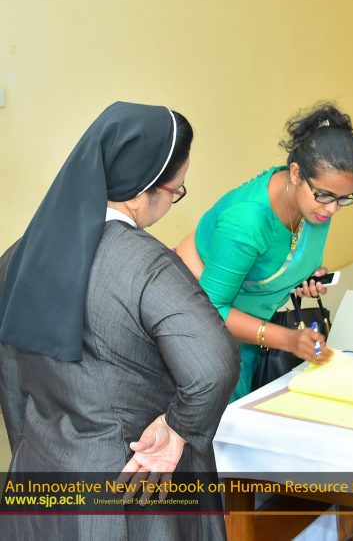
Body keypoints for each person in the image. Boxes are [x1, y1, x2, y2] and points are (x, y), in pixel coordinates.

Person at [0, 102, 239, 540]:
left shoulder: (17, 257)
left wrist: (33, 447)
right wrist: (177, 428)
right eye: (176, 190)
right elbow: (213, 365)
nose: (172, 201)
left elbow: (11, 375)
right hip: (135, 486)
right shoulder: (147, 265)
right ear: (143, 189)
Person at [176, 102, 353, 401]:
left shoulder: (313, 203)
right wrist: (287, 339)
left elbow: (279, 259)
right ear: (296, 173)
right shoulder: (247, 221)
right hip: (206, 340)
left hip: (252, 334)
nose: (332, 209)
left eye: (343, 199)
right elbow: (209, 311)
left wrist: (300, 278)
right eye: (325, 196)